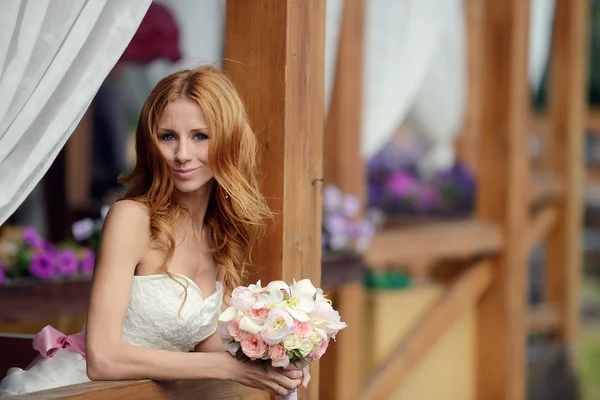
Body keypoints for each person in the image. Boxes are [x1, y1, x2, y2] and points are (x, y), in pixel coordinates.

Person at [0, 66, 309, 397]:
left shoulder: (217, 235)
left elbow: (204, 346)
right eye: (168, 137)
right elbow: (102, 359)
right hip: (80, 391)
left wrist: (274, 359)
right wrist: (228, 368)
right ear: (151, 142)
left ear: (228, 140)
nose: (182, 154)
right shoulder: (130, 218)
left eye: (200, 136)